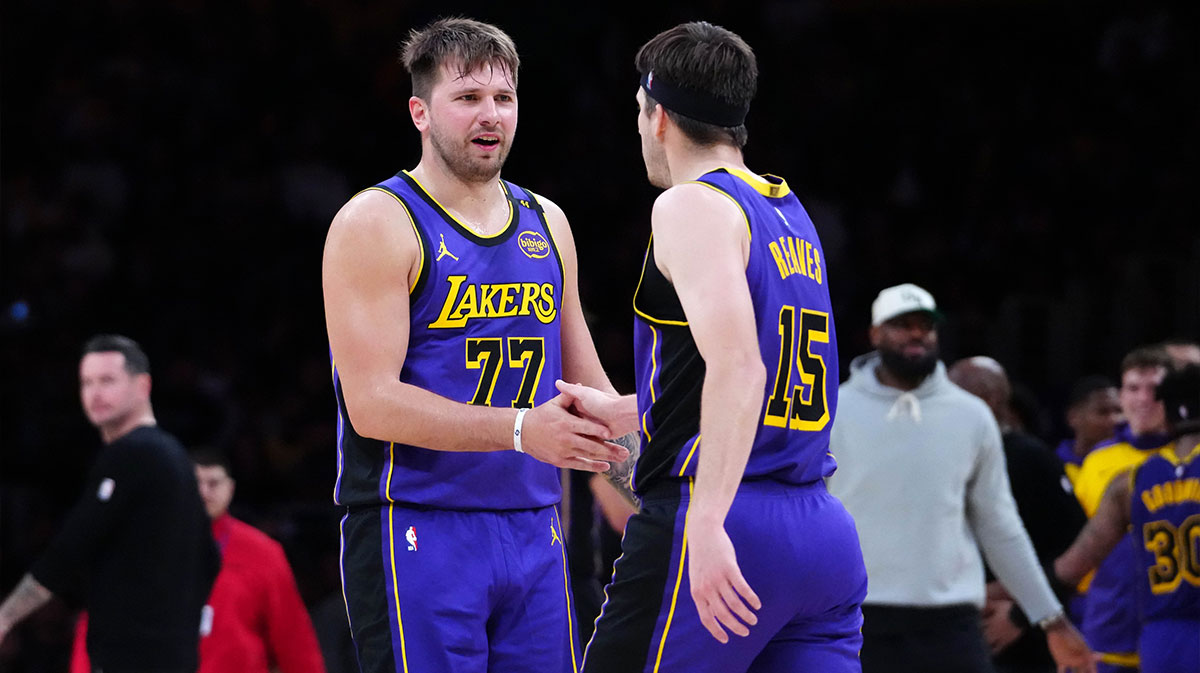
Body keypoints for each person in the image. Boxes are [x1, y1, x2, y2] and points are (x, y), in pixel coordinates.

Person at [556, 21, 868, 673]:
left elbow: (741, 368)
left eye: (639, 114)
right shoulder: (787, 209)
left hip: (727, 519)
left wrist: (707, 518)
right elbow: (765, 365)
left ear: (659, 114)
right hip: (820, 535)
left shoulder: (688, 206)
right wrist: (639, 408)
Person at [321, 17, 630, 673]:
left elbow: (587, 385)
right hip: (417, 523)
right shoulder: (378, 221)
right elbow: (371, 403)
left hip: (534, 524)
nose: (490, 115)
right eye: (467, 98)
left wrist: (660, 429)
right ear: (420, 112)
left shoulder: (548, 221)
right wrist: (520, 429)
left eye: (504, 98)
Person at [826, 284, 1093, 673]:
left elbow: (1001, 527)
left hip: (951, 622)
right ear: (874, 334)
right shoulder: (836, 410)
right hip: (858, 617)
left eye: (926, 325)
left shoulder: (971, 416)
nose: (917, 334)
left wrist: (1051, 620)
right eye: (902, 324)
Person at [0, 335, 219, 672]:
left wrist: (6, 616)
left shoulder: (133, 453)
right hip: (173, 656)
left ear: (143, 386)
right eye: (86, 382)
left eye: (107, 380)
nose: (95, 393)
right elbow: (210, 556)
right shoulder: (174, 455)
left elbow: (72, 547)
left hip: (135, 659)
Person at [69, 449, 327, 673]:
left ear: (231, 488)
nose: (203, 492)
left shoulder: (263, 552)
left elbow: (294, 642)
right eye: (194, 483)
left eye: (213, 483)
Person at [1051, 364, 1200, 673]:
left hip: (1160, 641)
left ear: (1168, 415)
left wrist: (1014, 602)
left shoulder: (1130, 481)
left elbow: (1070, 568)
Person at [948, 357, 1088, 673]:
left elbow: (1075, 549)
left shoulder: (1030, 458)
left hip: (1022, 636)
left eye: (951, 392)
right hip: (956, 625)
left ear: (987, 398)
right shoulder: (943, 456)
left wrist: (1021, 610)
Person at [1071, 345, 1174, 672]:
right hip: (1106, 632)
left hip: (1175, 634)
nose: (1143, 399)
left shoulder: (1192, 456)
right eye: (1132, 388)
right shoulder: (1098, 461)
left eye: (1155, 389)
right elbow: (1077, 548)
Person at [1054, 376, 1123, 485]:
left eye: (1119, 411)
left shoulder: (1132, 464)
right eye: (1103, 412)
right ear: (1073, 417)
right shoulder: (1054, 467)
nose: (1114, 420)